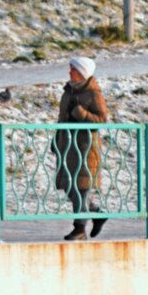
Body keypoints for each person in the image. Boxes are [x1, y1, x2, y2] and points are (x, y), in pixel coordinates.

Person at [53, 56, 109, 240]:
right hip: (67, 147)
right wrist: (56, 139)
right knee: (70, 187)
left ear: (82, 72)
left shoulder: (93, 93)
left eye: (73, 69)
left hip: (86, 149)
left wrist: (80, 113)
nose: (69, 72)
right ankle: (97, 213)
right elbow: (61, 119)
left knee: (82, 188)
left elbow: (101, 119)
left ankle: (79, 229)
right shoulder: (68, 92)